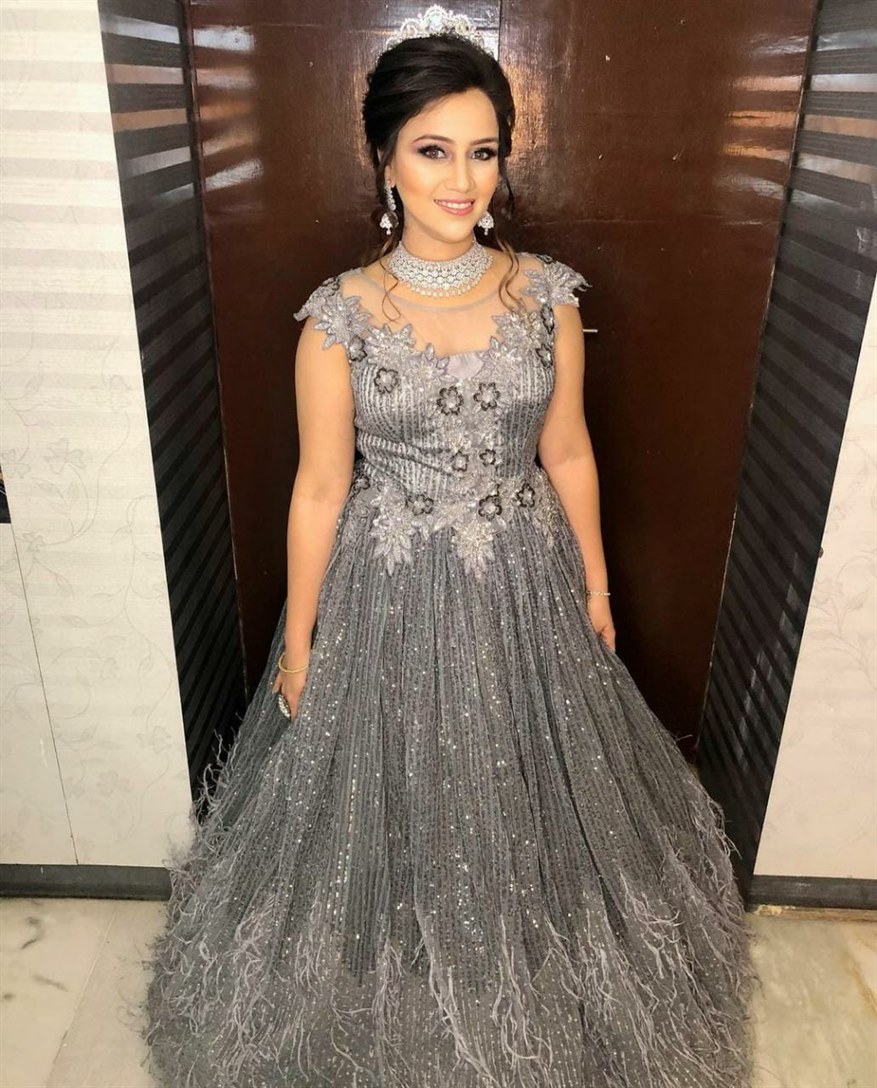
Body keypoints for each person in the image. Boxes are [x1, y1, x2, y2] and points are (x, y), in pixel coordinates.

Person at [140, 8, 761, 1087]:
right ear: (384, 161)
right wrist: (301, 643)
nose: (461, 180)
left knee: (532, 798)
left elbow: (567, 449)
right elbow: (319, 487)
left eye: (482, 152)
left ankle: (531, 969)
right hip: (385, 588)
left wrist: (597, 582)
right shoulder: (339, 317)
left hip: (526, 579)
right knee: (380, 804)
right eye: (433, 151)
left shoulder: (544, 294)